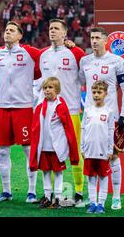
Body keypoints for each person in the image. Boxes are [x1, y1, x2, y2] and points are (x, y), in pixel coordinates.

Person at [0, 21, 40, 203]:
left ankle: (31, 191)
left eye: (11, 31)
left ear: (20, 36)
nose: (7, 33)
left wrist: (33, 76)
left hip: (23, 107)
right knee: (2, 151)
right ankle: (6, 191)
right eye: (6, 30)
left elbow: (45, 61)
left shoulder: (29, 52)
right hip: (3, 108)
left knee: (28, 149)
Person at [79, 27, 124, 210]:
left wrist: (123, 114)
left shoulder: (117, 61)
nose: (94, 41)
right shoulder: (85, 61)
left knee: (113, 156)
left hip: (112, 116)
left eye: (97, 38)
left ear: (106, 40)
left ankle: (116, 197)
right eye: (92, 38)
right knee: (91, 157)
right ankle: (94, 200)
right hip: (91, 117)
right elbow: (79, 83)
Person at [38, 19, 86, 206]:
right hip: (48, 113)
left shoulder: (75, 53)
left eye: (57, 28)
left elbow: (83, 78)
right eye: (50, 28)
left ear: (65, 33)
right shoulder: (43, 55)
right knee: (49, 152)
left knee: (75, 153)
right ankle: (52, 195)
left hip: (71, 110)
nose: (52, 31)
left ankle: (79, 192)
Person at [30, 77, 79, 209]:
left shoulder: (61, 106)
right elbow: (35, 128)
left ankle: (58, 198)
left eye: (50, 87)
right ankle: (47, 197)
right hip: (43, 146)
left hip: (57, 146)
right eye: (45, 88)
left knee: (58, 172)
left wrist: (70, 146)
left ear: (57, 90)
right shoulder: (39, 106)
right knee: (45, 172)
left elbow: (68, 127)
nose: (47, 90)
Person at [81, 80, 114, 214]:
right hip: (89, 150)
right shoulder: (88, 111)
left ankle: (101, 203)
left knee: (103, 177)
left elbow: (111, 130)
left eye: (99, 92)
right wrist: (82, 148)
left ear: (106, 94)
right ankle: (93, 203)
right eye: (94, 92)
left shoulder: (109, 111)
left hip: (103, 151)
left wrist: (110, 149)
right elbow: (83, 129)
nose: (96, 95)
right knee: (91, 177)